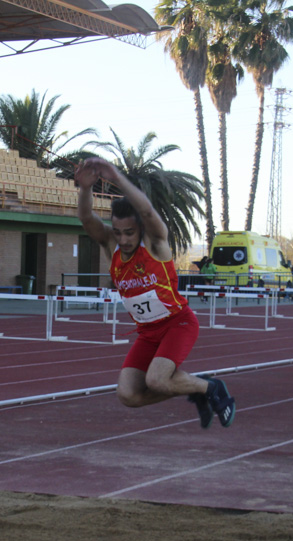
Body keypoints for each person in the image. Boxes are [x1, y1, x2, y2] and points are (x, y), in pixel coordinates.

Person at [75, 157, 234, 429]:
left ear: (140, 229)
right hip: (148, 333)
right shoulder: (111, 246)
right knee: (128, 395)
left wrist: (115, 176)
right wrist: (86, 188)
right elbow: (87, 217)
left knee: (157, 380)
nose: (123, 239)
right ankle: (194, 388)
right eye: (118, 232)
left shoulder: (156, 244)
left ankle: (211, 388)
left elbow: (147, 211)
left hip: (177, 323)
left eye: (129, 233)